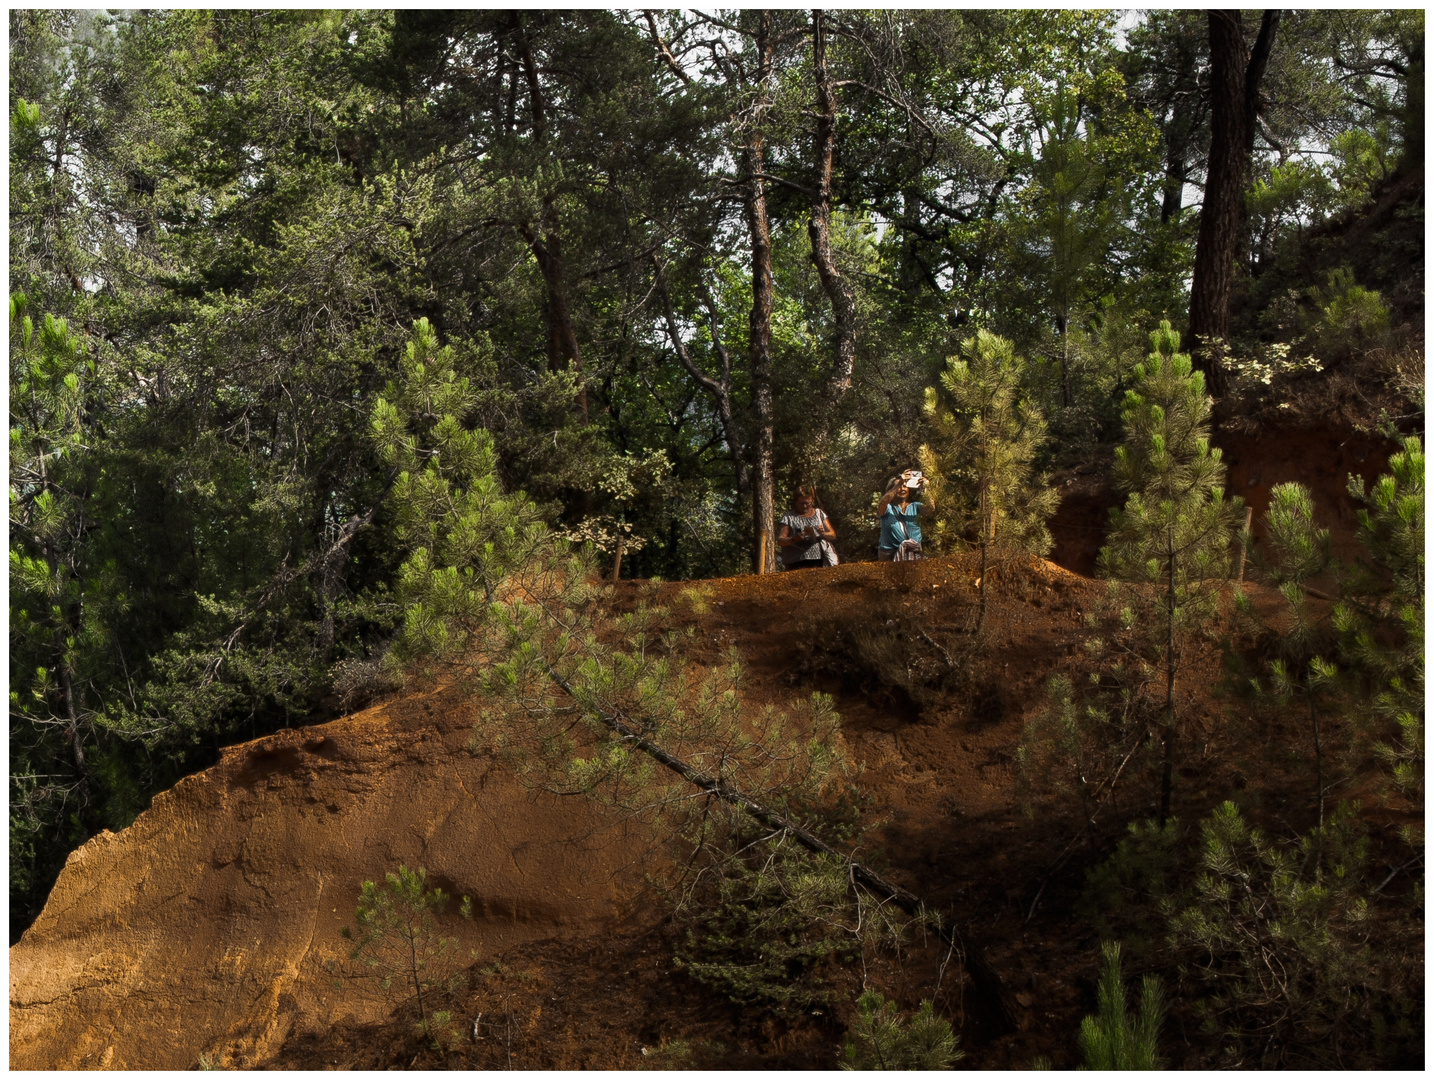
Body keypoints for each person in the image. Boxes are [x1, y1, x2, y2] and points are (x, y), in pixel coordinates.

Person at [876, 469, 932, 561]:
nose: (902, 489)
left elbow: (930, 508)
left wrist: (927, 488)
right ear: (892, 490)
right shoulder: (887, 508)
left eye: (905, 486)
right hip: (889, 554)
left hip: (913, 554)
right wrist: (900, 481)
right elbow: (883, 502)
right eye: (899, 487)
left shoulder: (915, 506)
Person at [777, 487, 838, 570]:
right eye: (801, 503)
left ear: (812, 501)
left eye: (807, 503)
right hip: (795, 563)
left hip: (818, 560)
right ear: (796, 501)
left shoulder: (819, 514)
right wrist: (794, 539)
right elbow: (781, 540)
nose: (804, 506)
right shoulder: (788, 517)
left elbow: (833, 535)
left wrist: (823, 533)